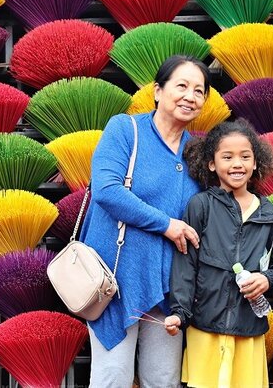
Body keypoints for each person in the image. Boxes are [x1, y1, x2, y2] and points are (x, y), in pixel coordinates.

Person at [80, 55, 210, 388]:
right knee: (113, 378)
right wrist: (167, 224)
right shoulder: (126, 129)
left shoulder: (198, 152)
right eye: (181, 86)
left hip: (169, 287)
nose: (189, 96)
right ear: (157, 91)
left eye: (199, 91)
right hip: (117, 282)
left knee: (163, 381)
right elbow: (107, 191)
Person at [164, 119, 273, 388]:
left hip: (249, 328)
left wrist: (266, 280)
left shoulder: (269, 213)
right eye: (227, 157)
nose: (237, 164)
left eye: (245, 157)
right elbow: (186, 265)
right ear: (211, 163)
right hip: (205, 326)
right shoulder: (200, 206)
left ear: (256, 163)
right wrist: (180, 313)